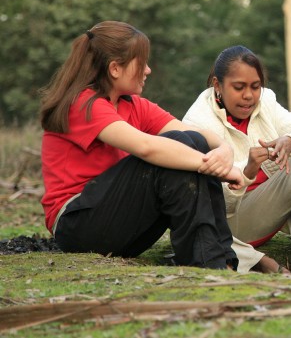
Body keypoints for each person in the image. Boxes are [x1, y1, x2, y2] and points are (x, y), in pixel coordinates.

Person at [40, 21, 243, 270]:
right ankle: (207, 264)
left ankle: (222, 262)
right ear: (115, 68)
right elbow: (147, 147)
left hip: (116, 223)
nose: (148, 70)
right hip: (78, 225)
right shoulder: (84, 105)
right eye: (142, 62)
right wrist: (217, 168)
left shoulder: (133, 105)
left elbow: (193, 133)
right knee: (174, 151)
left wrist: (224, 149)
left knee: (195, 142)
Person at [182, 45, 291, 274]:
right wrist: (246, 171)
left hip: (266, 213)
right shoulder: (197, 122)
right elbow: (208, 203)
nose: (248, 96)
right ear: (217, 85)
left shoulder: (266, 101)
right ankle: (257, 261)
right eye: (238, 87)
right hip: (225, 227)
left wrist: (290, 141)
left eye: (255, 86)